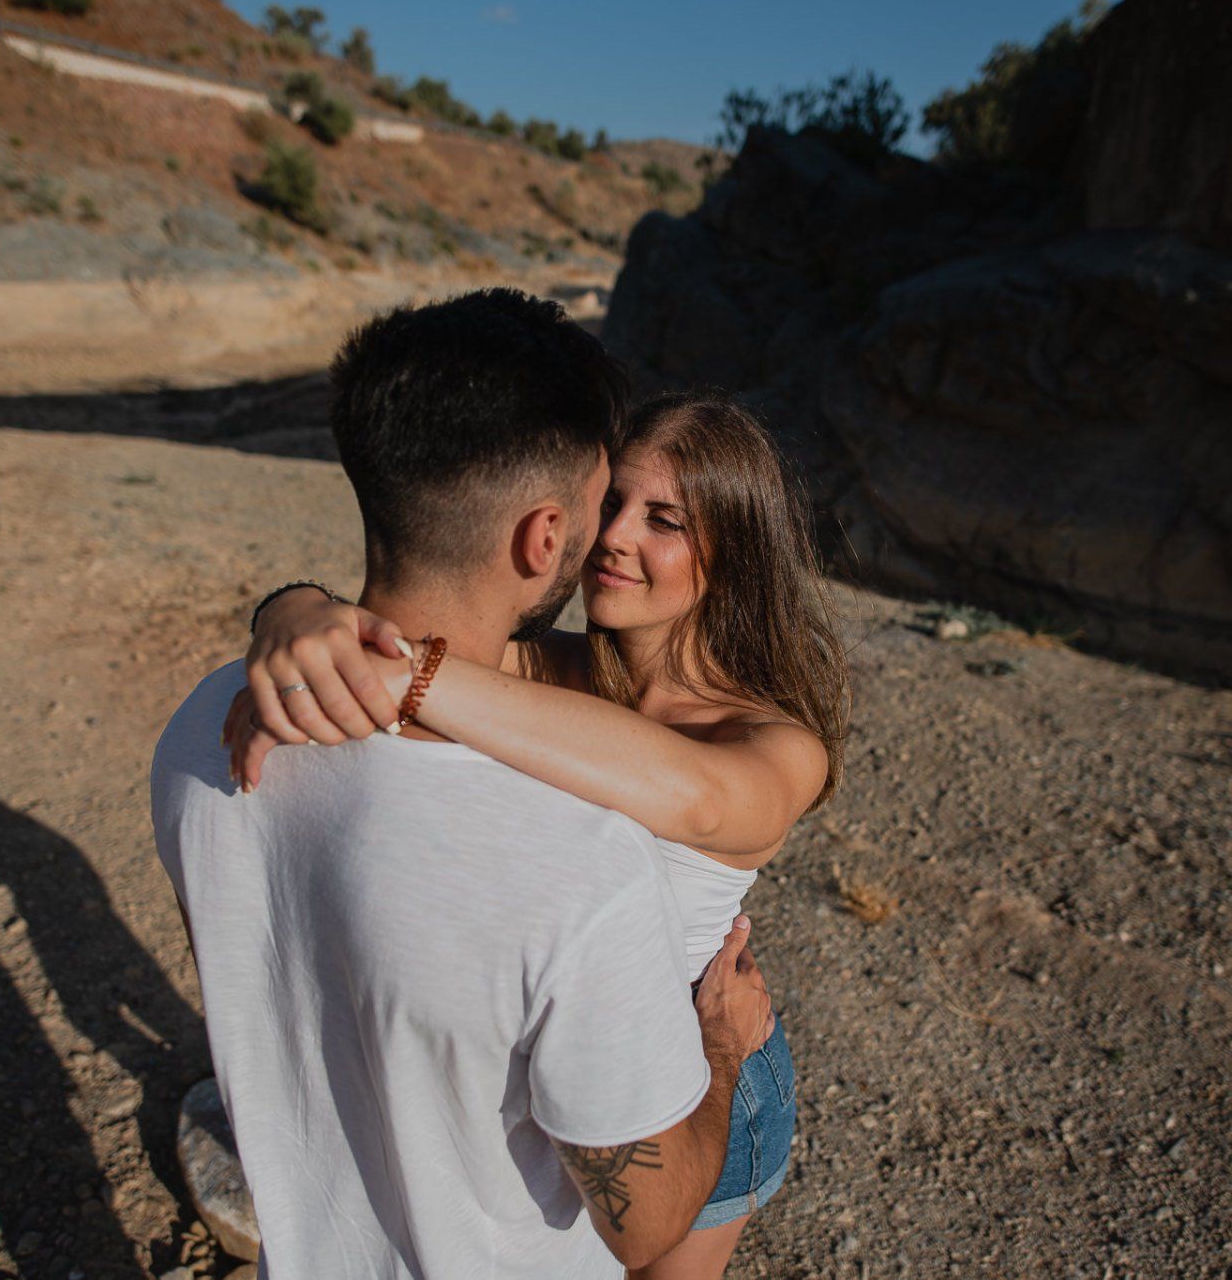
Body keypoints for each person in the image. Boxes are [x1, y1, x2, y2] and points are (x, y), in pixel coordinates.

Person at [151, 289, 777, 1279]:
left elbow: (706, 794)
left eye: (660, 516)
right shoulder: (578, 865)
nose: (614, 536)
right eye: (603, 500)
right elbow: (646, 1224)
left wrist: (302, 612)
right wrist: (728, 1053)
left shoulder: (209, 725)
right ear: (543, 538)